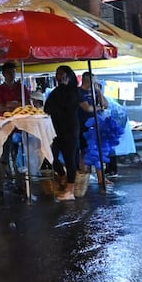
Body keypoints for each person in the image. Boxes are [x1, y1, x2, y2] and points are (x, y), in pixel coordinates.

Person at [44, 65, 81, 201]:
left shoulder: (75, 91)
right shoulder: (55, 91)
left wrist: (57, 110)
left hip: (70, 129)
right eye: (58, 74)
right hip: (56, 129)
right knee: (51, 157)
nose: (60, 77)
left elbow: (71, 107)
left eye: (62, 74)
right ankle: (63, 177)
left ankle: (70, 190)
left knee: (70, 158)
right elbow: (47, 107)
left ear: (69, 76)